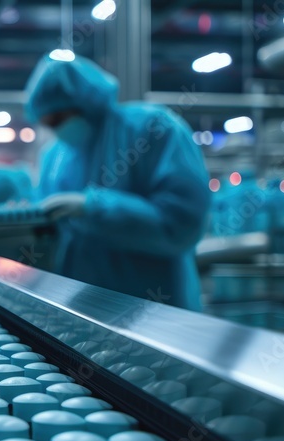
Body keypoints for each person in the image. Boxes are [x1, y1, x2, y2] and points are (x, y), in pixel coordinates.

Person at [25, 54, 211, 310]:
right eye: (48, 123)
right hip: (80, 311)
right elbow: (50, 232)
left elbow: (182, 225)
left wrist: (95, 208)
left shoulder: (153, 129)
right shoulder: (54, 156)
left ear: (86, 101)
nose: (57, 129)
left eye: (59, 118)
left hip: (156, 308)